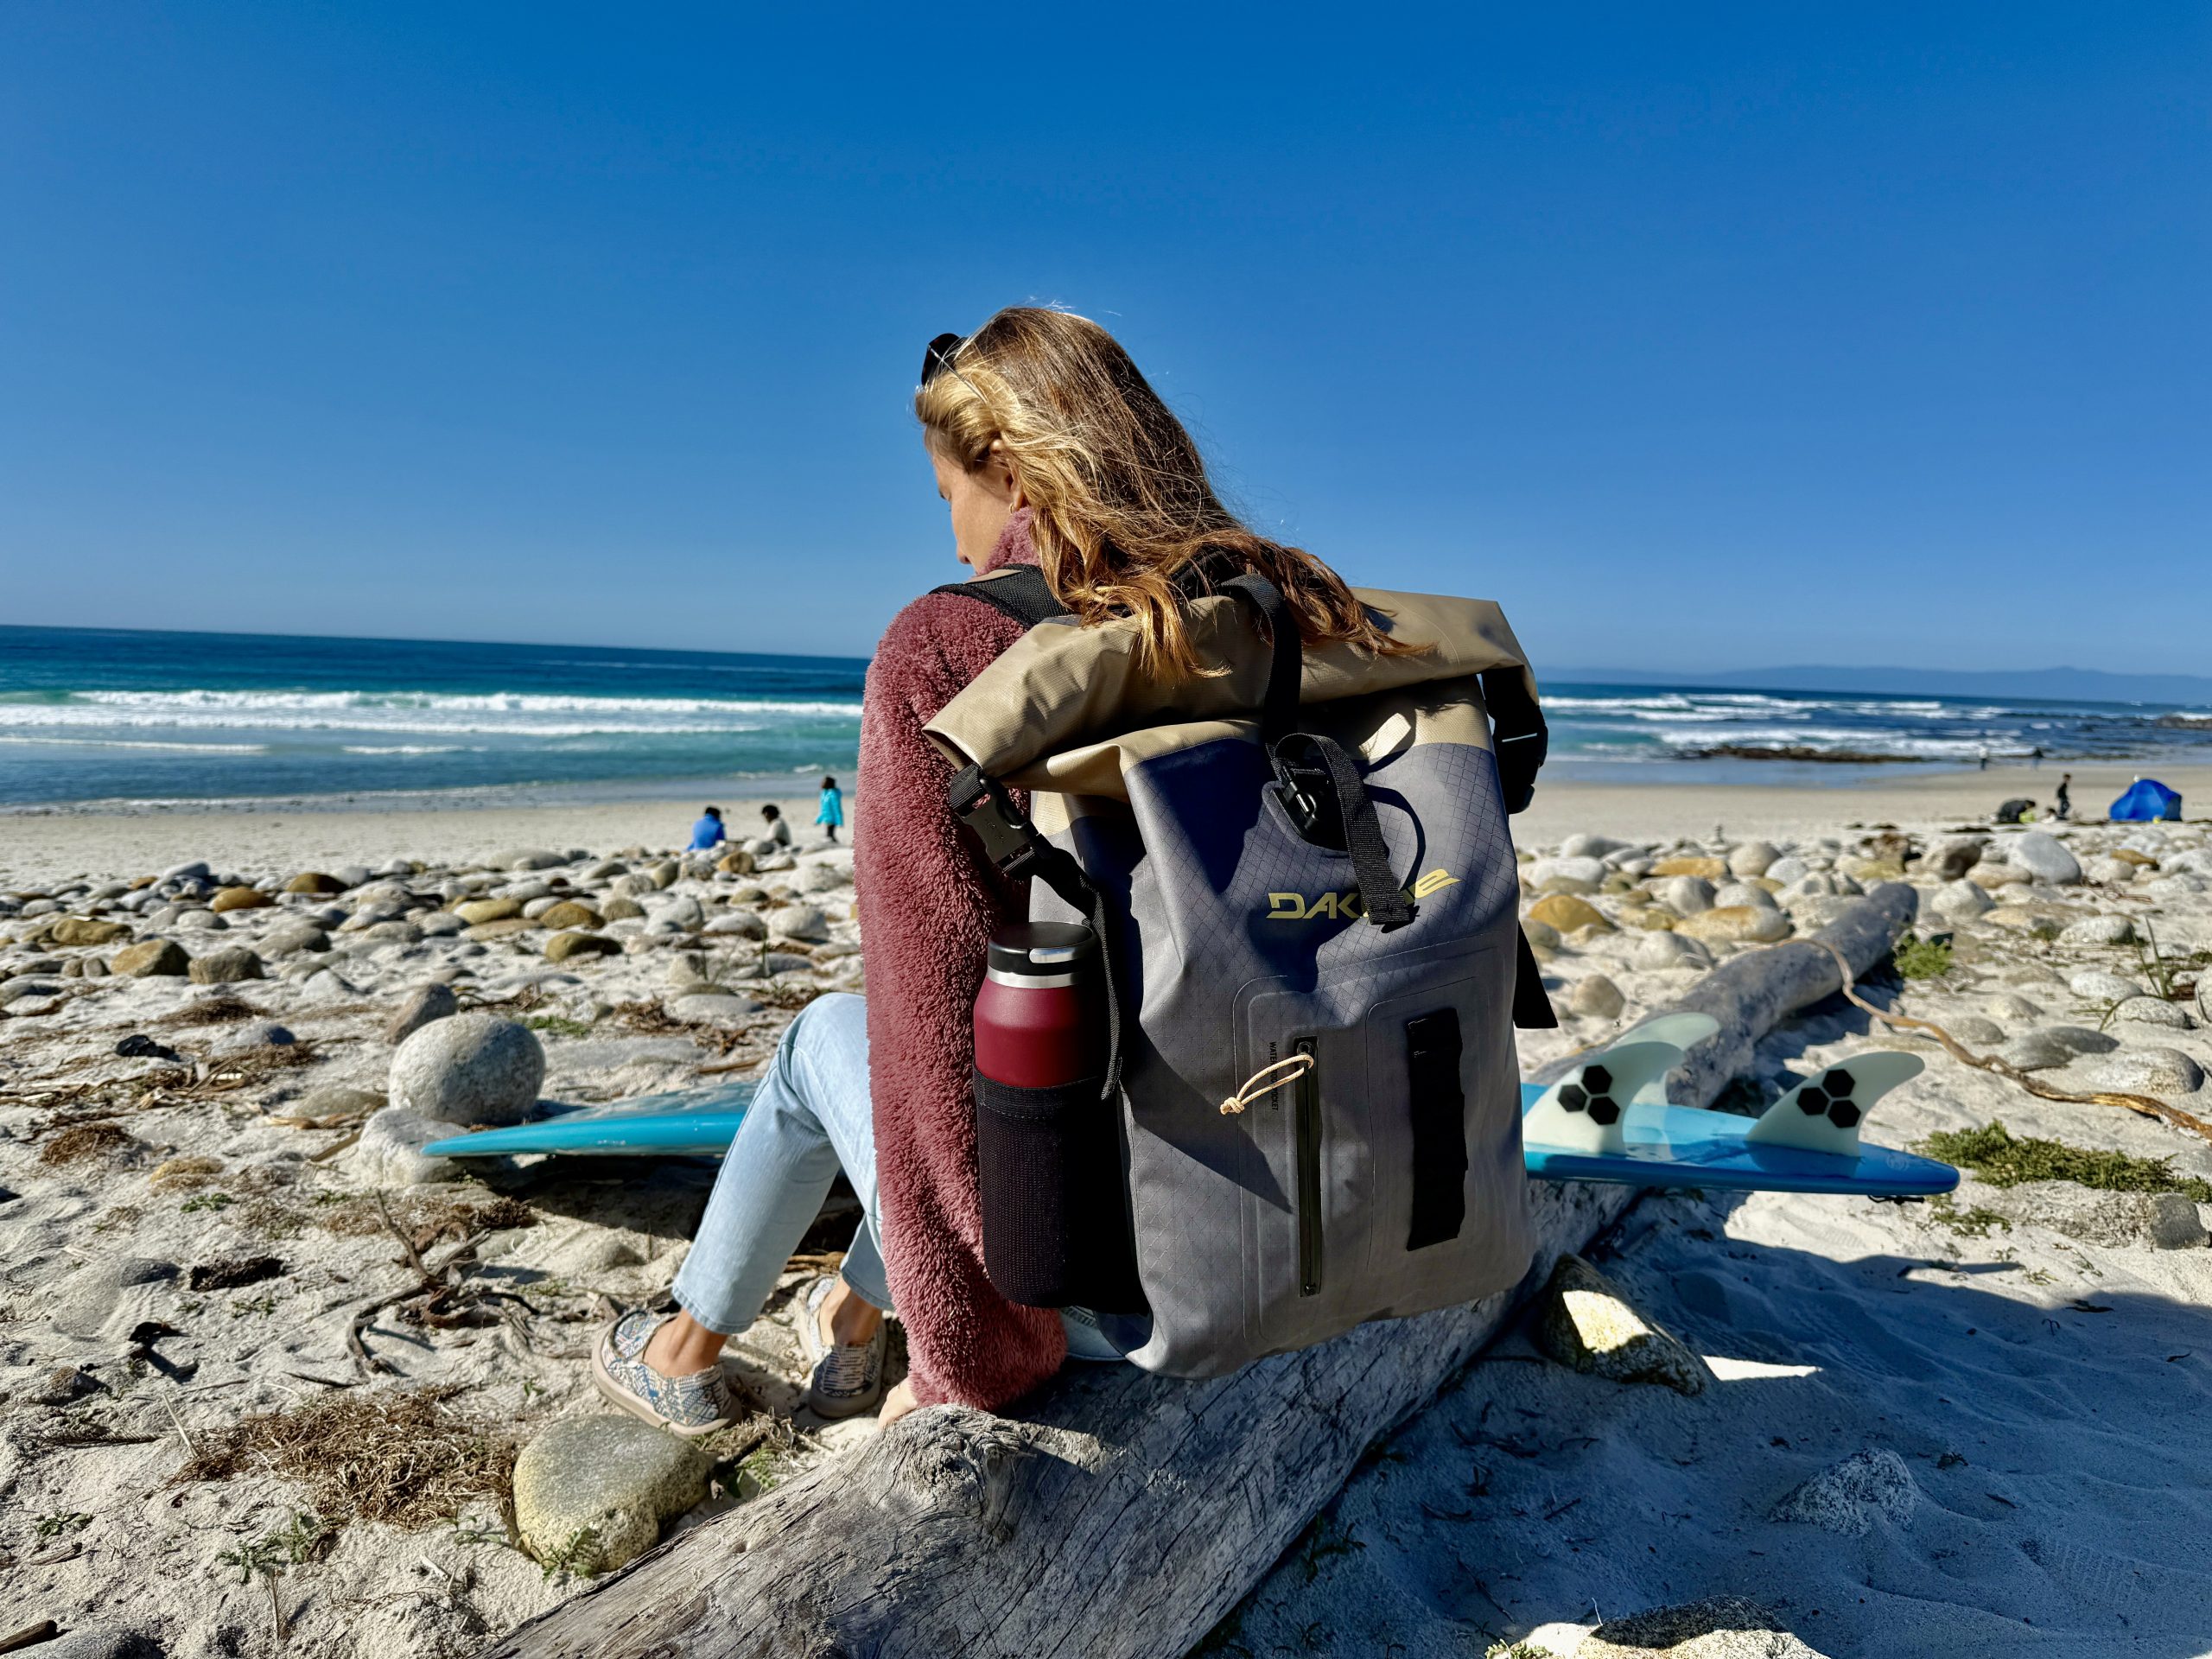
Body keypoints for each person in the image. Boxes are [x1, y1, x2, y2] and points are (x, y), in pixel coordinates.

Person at [591, 307, 1403, 1433]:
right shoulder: (1285, 613)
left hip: (1113, 1302)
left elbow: (933, 1046)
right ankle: (850, 1326)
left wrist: (971, 1362)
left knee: (838, 1036)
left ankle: (681, 1352)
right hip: (1329, 1231)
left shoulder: (948, 646)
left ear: (1010, 467)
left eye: (951, 500)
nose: (959, 545)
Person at [816, 775, 845, 843]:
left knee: (830, 835)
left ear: (828, 784)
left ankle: (836, 845)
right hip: (826, 818)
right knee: (828, 835)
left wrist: (840, 821)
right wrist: (818, 820)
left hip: (832, 819)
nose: (821, 783)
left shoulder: (833, 795)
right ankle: (835, 844)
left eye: (824, 782)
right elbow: (823, 809)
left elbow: (837, 808)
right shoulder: (825, 793)